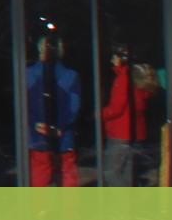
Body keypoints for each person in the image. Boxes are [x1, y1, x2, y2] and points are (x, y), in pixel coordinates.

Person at [25, 32, 86, 187]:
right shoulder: (71, 76)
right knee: (67, 176)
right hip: (64, 137)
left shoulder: (28, 75)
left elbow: (25, 106)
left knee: (40, 178)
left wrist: (36, 124)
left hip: (37, 137)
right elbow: (74, 107)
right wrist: (60, 127)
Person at [98, 44, 159, 188]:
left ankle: (123, 200)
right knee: (127, 174)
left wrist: (100, 115)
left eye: (114, 57)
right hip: (134, 135)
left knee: (111, 173)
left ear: (121, 59)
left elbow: (117, 108)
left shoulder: (122, 79)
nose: (112, 60)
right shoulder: (136, 80)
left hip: (120, 133)